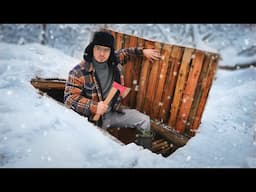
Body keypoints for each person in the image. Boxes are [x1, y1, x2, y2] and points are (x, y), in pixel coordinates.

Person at [64, 31, 161, 146]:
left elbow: (125, 53)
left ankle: (144, 152)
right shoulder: (78, 72)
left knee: (144, 120)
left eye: (106, 50)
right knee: (102, 149)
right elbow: (69, 99)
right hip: (92, 121)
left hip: (113, 113)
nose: (102, 53)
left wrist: (143, 52)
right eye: (98, 48)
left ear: (111, 51)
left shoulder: (113, 61)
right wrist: (93, 107)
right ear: (92, 48)